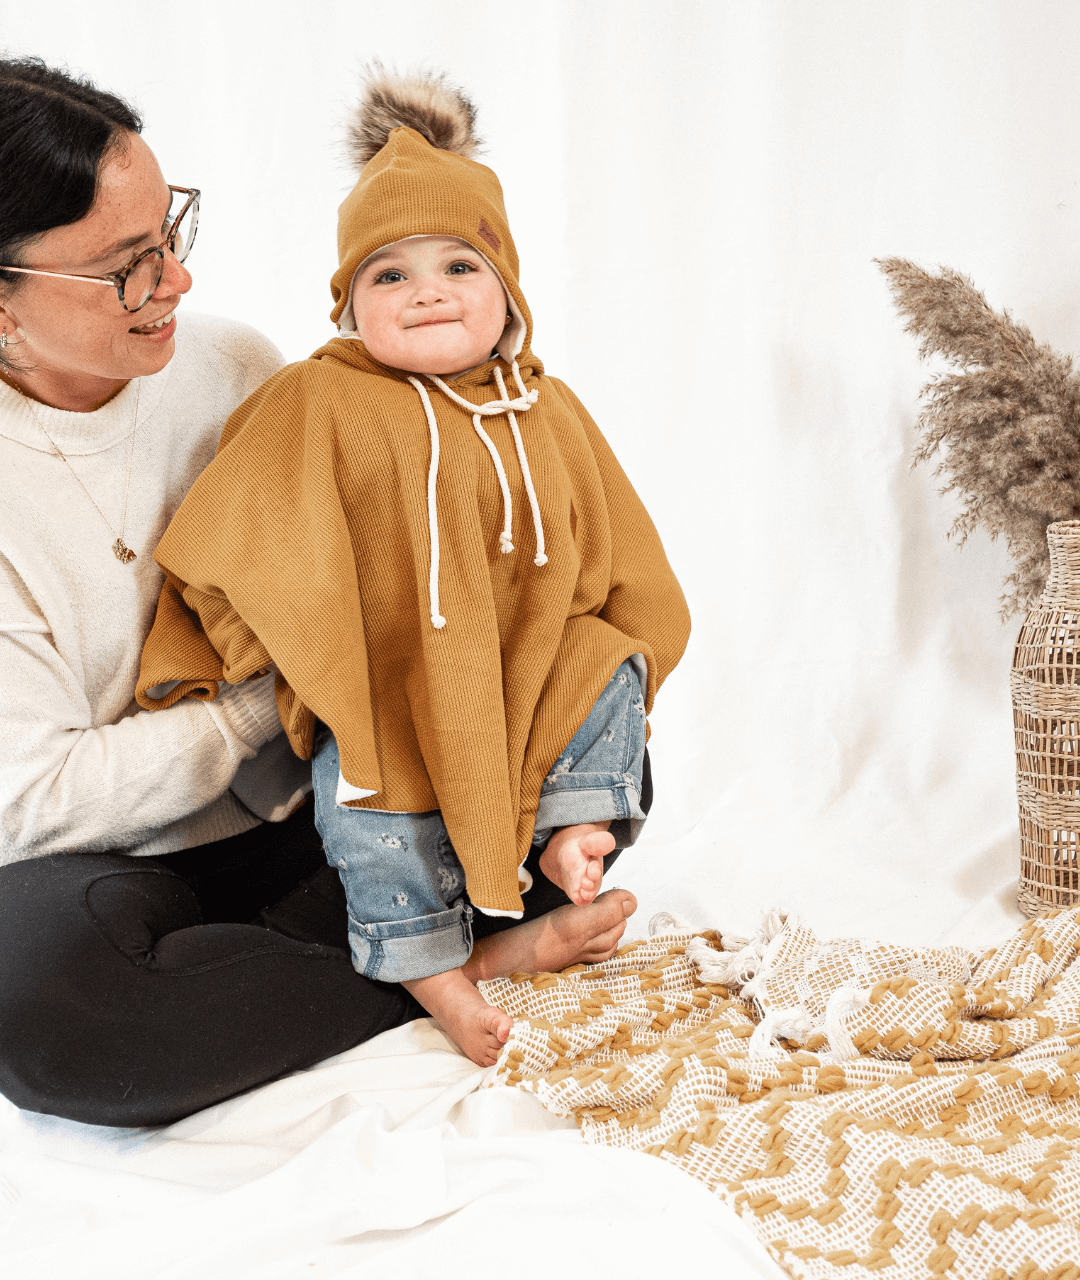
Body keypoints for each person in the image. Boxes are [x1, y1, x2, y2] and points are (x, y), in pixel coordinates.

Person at [0, 59, 635, 1129]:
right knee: (49, 1015)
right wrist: (286, 693)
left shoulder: (240, 365)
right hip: (108, 865)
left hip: (332, 812)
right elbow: (29, 802)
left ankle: (406, 933)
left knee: (585, 748)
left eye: (172, 234)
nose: (178, 284)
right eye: (127, 269)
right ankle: (450, 954)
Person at [136, 69, 692, 1067]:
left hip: (516, 678)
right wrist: (234, 640)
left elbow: (616, 553)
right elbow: (236, 521)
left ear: (507, 291)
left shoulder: (542, 405)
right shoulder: (322, 398)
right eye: (389, 274)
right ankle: (434, 968)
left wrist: (610, 643)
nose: (426, 288)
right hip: (391, 669)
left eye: (458, 266)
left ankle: (574, 826)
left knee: (608, 659)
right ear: (350, 303)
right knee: (373, 798)